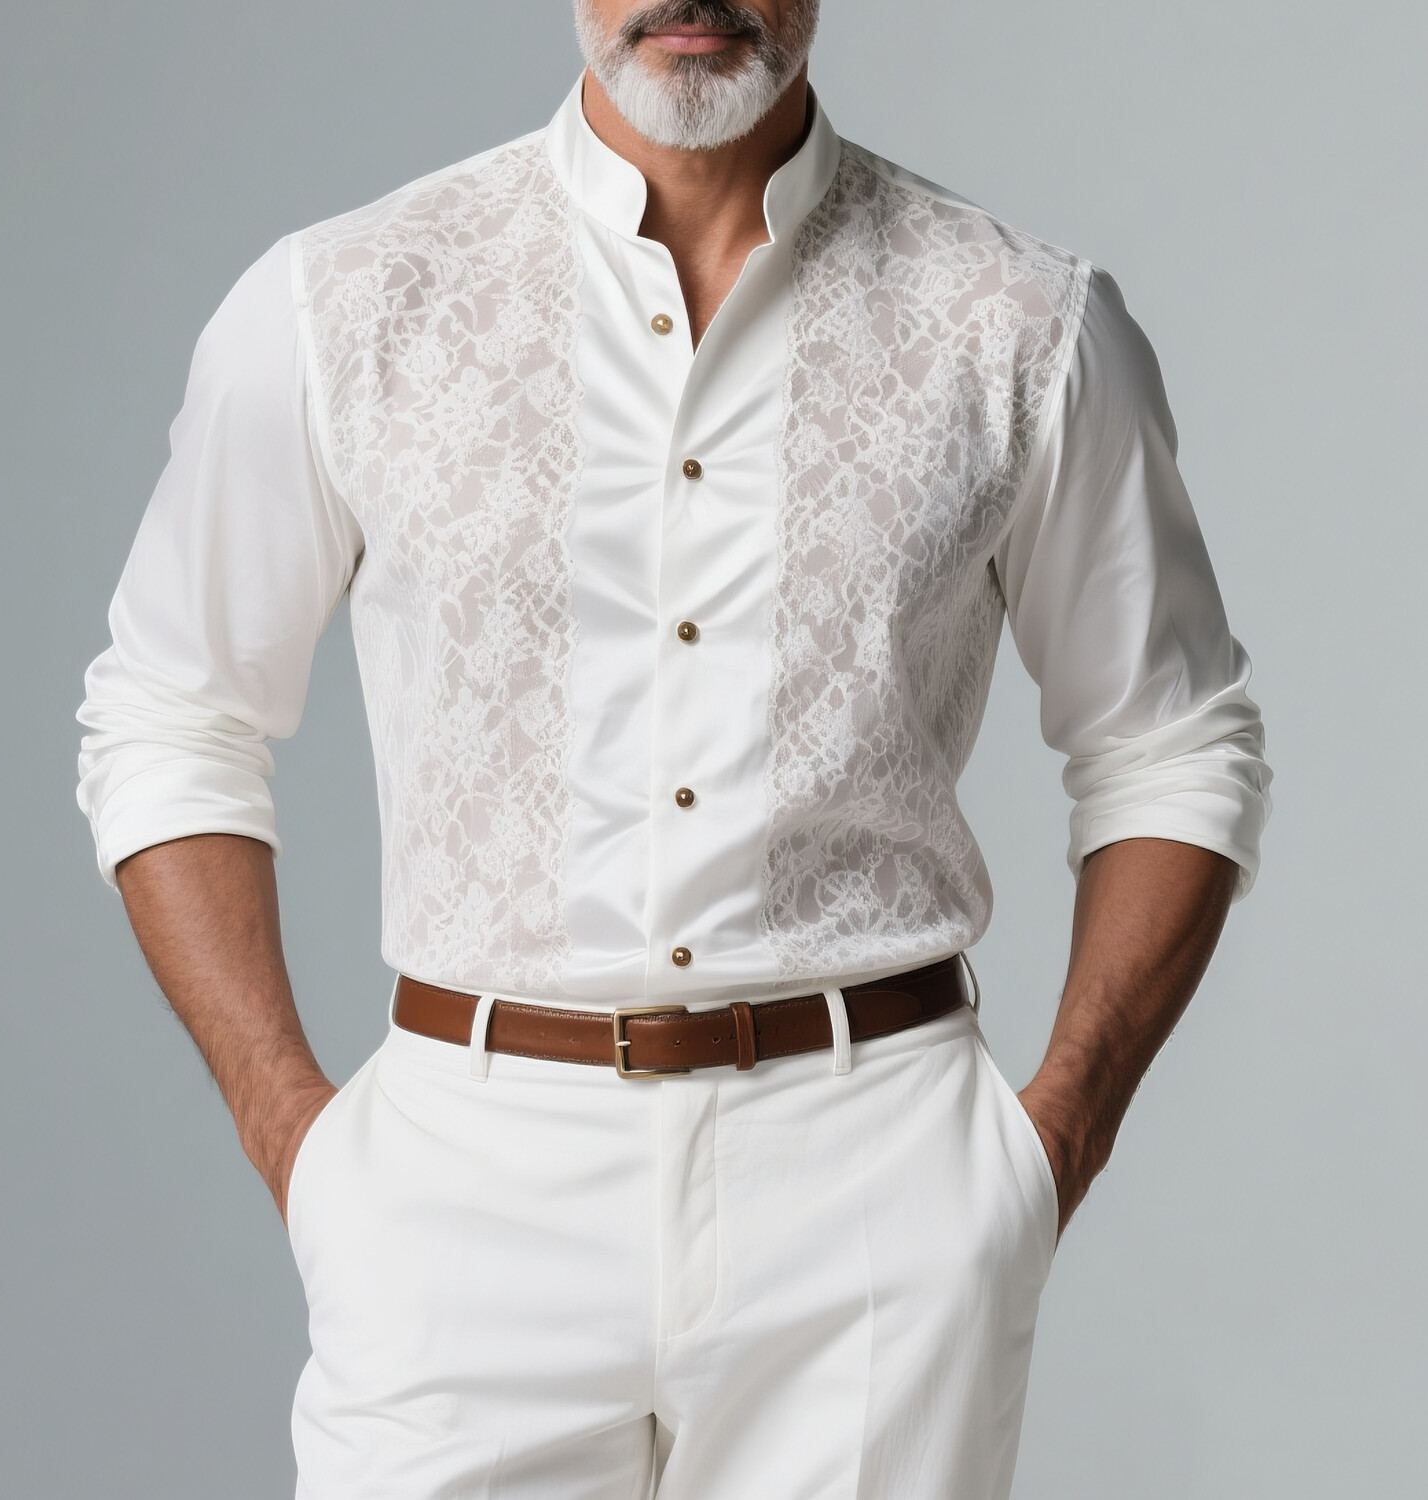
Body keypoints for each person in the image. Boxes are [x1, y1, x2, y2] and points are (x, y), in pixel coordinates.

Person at [75, 1, 1272, 1494]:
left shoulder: (1020, 321)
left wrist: (1051, 1145)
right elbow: (173, 714)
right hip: (461, 1198)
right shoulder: (348, 299)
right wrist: (293, 1138)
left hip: (875, 1196)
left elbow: (1172, 743)